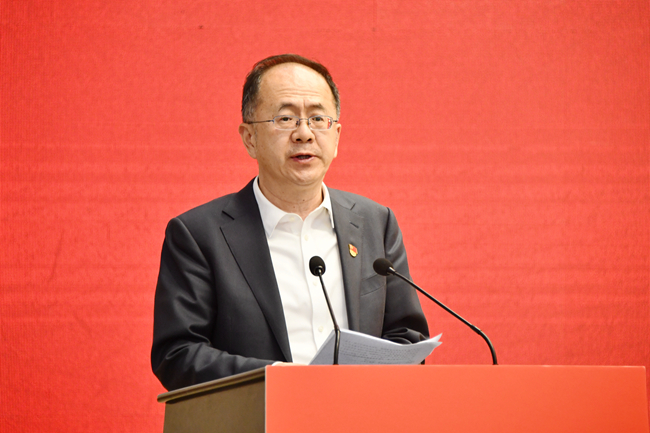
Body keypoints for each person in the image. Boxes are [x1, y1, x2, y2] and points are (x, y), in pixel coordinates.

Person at [151, 54, 429, 391]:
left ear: (337, 136)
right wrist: (280, 380)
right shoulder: (199, 235)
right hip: (256, 413)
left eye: (318, 118)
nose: (304, 133)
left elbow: (406, 337)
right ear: (249, 138)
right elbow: (177, 355)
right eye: (285, 118)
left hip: (360, 412)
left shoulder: (376, 223)